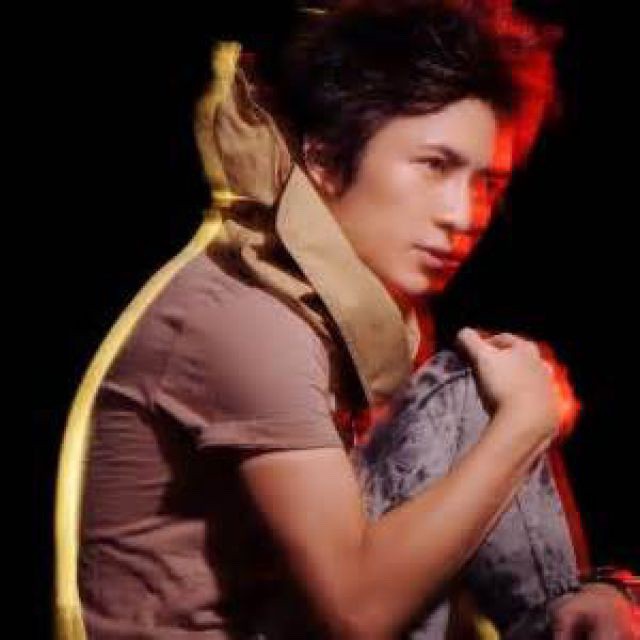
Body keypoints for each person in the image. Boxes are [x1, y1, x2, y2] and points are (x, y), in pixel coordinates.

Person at [77, 1, 639, 638]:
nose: (465, 216)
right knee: (481, 396)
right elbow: (358, 611)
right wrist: (523, 426)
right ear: (322, 159)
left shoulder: (360, 313)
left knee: (486, 389)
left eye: (487, 184)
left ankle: (575, 613)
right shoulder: (247, 317)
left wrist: (603, 588)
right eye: (435, 166)